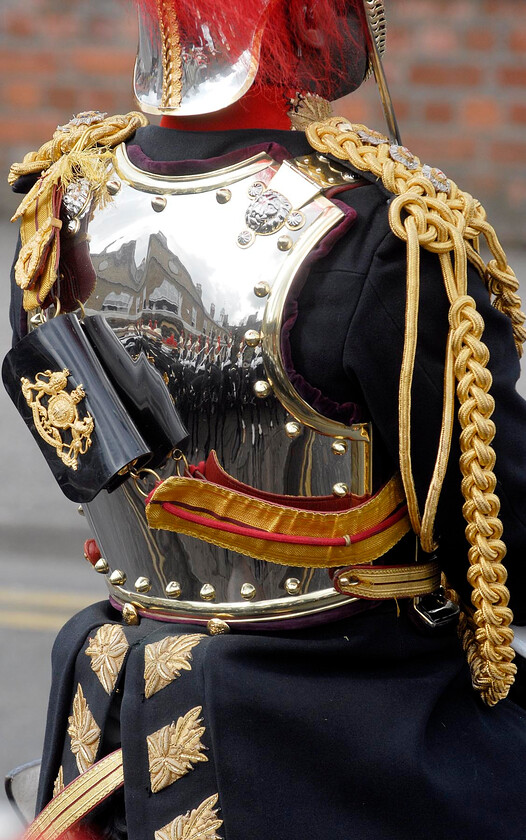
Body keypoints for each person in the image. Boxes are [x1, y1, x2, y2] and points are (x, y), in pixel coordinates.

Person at [4, 1, 526, 838]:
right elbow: (497, 534)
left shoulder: (57, 205)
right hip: (328, 734)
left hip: (106, 706)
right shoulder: (385, 236)